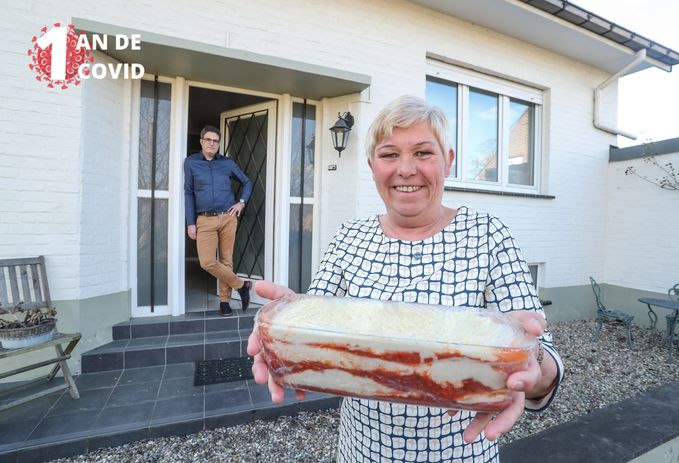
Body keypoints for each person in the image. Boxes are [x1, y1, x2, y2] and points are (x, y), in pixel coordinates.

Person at [247, 96, 564, 462]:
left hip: (460, 454)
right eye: (389, 154)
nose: (406, 169)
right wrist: (285, 324)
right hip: (362, 452)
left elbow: (544, 363)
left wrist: (533, 359)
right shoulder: (349, 237)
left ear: (448, 161)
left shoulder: (488, 236)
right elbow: (315, 327)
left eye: (423, 153)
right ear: (372, 166)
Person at [184, 125, 253, 315]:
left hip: (228, 217)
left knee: (226, 260)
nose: (212, 143)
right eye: (208, 140)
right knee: (206, 261)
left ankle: (225, 302)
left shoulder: (227, 163)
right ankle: (241, 286)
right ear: (201, 141)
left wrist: (241, 203)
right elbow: (188, 193)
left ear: (218, 143)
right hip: (204, 219)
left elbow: (247, 182)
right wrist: (191, 222)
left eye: (215, 141)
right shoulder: (190, 163)